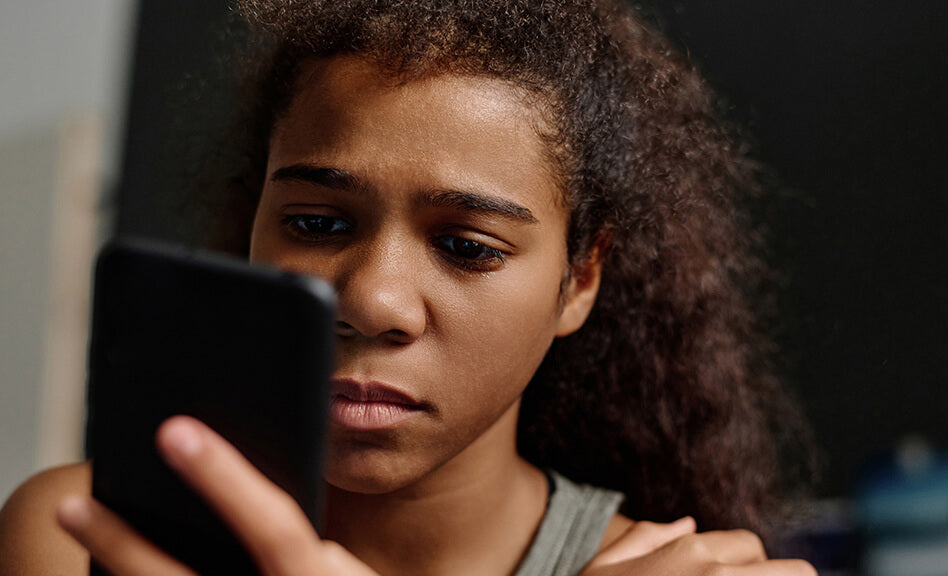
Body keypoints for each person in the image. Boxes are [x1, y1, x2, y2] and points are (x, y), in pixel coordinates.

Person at [0, 0, 817, 574]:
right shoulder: (88, 539)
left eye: (466, 246)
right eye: (318, 224)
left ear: (579, 280)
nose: (373, 300)